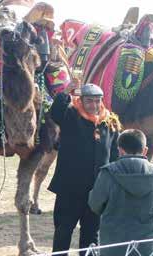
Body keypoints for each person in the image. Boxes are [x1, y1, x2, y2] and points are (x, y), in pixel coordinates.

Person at [49, 82, 121, 256]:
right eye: (89, 101)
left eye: (97, 101)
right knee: (63, 231)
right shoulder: (70, 115)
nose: (94, 105)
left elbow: (114, 156)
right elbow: (55, 111)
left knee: (91, 235)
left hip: (96, 191)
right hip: (70, 189)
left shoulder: (109, 122)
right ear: (81, 100)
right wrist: (67, 91)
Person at [88, 129, 153, 256]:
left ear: (120, 150)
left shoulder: (108, 173)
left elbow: (95, 204)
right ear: (145, 151)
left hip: (113, 244)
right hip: (147, 246)